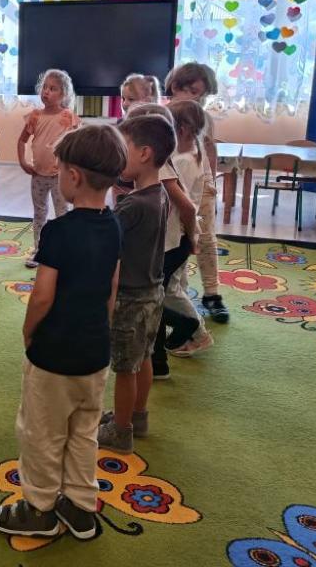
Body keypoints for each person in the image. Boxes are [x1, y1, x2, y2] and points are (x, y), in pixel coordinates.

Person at [0, 125, 126, 542]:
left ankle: (39, 509)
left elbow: (42, 296)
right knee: (83, 432)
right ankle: (81, 507)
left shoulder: (59, 231)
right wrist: (100, 328)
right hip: (95, 354)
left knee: (42, 435)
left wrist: (29, 332)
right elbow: (112, 288)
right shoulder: (114, 225)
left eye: (61, 168)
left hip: (54, 357)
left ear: (74, 176)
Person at [96, 114, 174, 452]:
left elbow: (104, 235)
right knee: (143, 357)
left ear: (144, 153)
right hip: (154, 292)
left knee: (124, 368)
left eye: (123, 148)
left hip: (129, 297)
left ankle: (121, 431)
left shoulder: (133, 205)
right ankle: (137, 416)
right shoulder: (160, 195)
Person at [120, 102, 197, 381]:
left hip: (170, 246)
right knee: (155, 297)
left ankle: (175, 339)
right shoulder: (156, 169)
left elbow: (187, 207)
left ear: (145, 151)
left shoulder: (160, 171)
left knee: (152, 299)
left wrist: (193, 237)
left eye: (125, 146)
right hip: (169, 244)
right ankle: (161, 355)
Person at [165, 63, 229, 323]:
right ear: (175, 87)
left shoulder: (204, 118)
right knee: (177, 240)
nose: (197, 100)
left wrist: (211, 181)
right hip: (174, 186)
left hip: (201, 184)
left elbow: (209, 148)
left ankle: (212, 294)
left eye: (202, 95)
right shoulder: (164, 115)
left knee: (206, 238)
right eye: (192, 92)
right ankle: (178, 292)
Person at [161, 101, 214, 357]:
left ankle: (197, 332)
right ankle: (192, 329)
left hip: (175, 236)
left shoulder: (182, 161)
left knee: (169, 289)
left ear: (180, 130)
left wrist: (191, 237)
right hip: (180, 234)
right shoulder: (192, 154)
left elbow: (185, 206)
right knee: (174, 285)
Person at [18, 69, 80, 268]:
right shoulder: (35, 116)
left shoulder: (68, 117)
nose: (46, 91)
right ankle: (39, 250)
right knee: (39, 213)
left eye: (52, 89)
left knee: (62, 214)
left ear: (63, 94)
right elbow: (22, 141)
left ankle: (64, 251)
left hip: (60, 177)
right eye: (44, 87)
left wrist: (73, 169)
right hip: (38, 176)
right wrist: (23, 162)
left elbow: (77, 145)